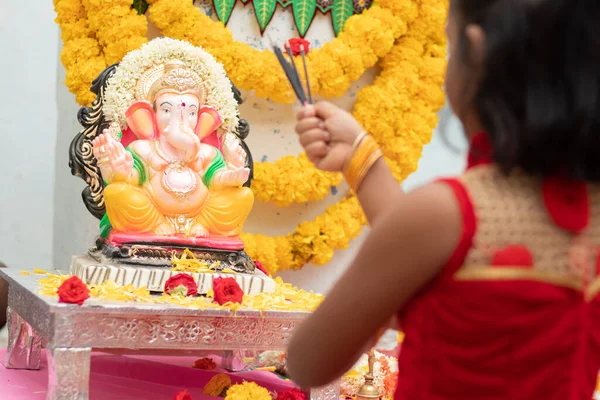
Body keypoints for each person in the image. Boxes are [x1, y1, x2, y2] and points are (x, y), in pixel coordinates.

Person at [287, 0, 600, 398]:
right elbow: (442, 265)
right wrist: (359, 155)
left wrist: (373, 308)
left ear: (477, 50)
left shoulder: (446, 211)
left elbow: (307, 362)